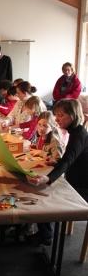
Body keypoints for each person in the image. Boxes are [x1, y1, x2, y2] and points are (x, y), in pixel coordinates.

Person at [27, 99, 88, 244]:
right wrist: (57, 162)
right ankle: (45, 231)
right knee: (41, 190)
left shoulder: (78, 135)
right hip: (75, 177)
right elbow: (69, 159)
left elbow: (68, 161)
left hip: (82, 185)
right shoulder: (76, 132)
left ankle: (46, 235)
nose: (56, 119)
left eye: (61, 115)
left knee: (42, 193)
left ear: (72, 116)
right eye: (56, 115)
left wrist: (48, 179)